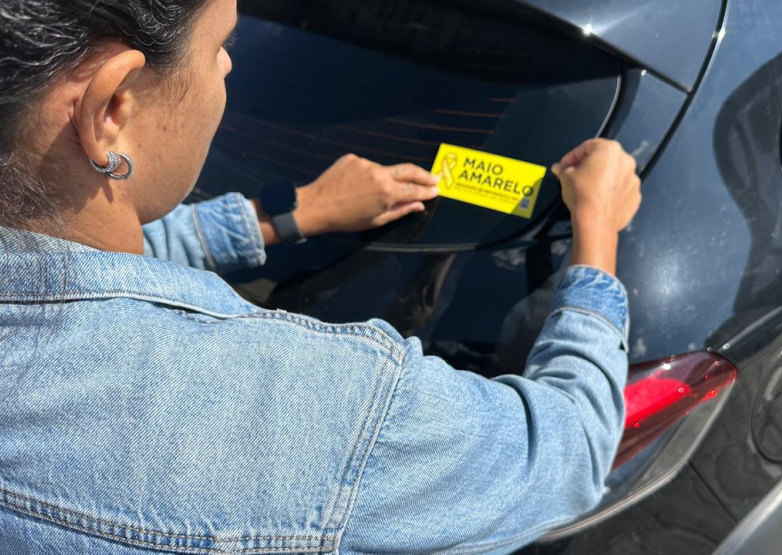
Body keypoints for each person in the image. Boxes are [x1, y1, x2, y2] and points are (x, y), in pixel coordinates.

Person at [0, 0, 642, 553]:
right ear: (113, 108)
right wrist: (596, 226)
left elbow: (93, 264)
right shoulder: (326, 412)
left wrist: (291, 213)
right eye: (221, 45)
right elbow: (569, 449)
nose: (229, 66)